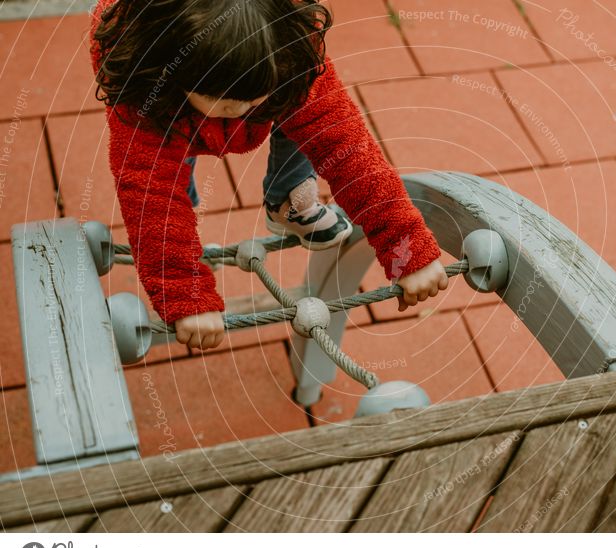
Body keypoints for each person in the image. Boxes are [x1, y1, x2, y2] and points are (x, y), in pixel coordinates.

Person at [90, 0, 448, 350]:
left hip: (270, 67)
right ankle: (191, 223)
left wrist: (406, 247)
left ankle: (287, 191)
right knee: (172, 168)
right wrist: (185, 293)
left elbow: (345, 147)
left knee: (302, 106)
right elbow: (151, 192)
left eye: (250, 98)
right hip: (171, 107)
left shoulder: (290, 51)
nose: (242, 110)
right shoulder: (144, 90)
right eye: (223, 101)